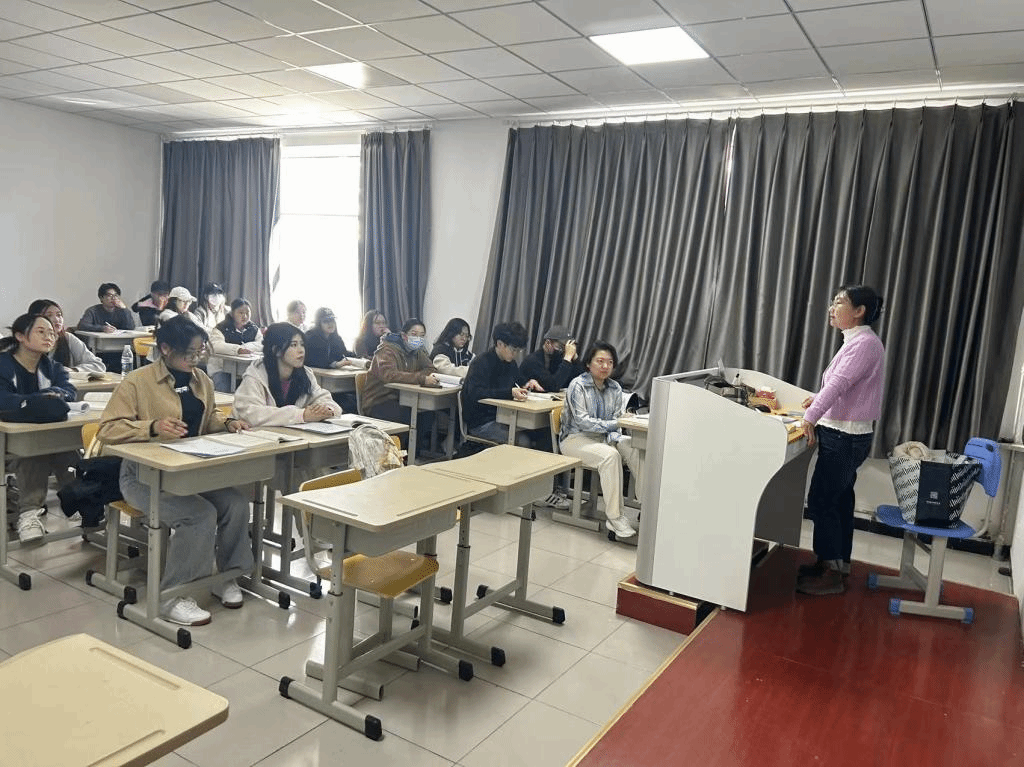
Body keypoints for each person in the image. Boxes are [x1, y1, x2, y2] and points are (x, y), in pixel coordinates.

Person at [96, 315, 254, 627]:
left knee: (236, 504)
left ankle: (226, 576)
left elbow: (208, 417)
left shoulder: (201, 380)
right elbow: (107, 430)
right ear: (166, 348)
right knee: (199, 515)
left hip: (189, 470)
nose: (195, 359)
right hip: (143, 477)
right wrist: (152, 427)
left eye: (199, 353)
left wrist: (228, 423)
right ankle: (173, 596)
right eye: (189, 353)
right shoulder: (137, 382)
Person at [795, 285, 886, 596]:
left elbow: (838, 384)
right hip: (844, 434)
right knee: (839, 500)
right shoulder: (857, 341)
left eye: (839, 303)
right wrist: (818, 400)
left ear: (859, 311)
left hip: (845, 437)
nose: (831, 308)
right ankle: (835, 564)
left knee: (823, 501)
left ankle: (831, 574)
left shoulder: (864, 344)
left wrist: (810, 417)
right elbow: (844, 388)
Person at [0, 314, 78, 542]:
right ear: (20, 336)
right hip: (8, 440)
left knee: (68, 450)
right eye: (41, 332)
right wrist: (38, 400)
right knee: (33, 452)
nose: (49, 337)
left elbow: (68, 392)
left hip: (43, 437)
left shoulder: (52, 367)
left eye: (52, 333)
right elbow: (3, 400)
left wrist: (42, 399)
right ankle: (29, 515)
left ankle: (79, 502)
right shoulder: (3, 365)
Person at [559, 341, 644, 538]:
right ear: (589, 363)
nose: (605, 366)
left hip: (602, 438)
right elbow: (583, 422)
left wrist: (617, 432)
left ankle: (646, 505)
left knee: (635, 447)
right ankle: (615, 518)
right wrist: (616, 425)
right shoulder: (578, 385)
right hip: (575, 439)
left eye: (610, 362)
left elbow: (616, 420)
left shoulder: (615, 387)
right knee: (610, 456)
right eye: (600, 361)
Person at [233, 322, 341, 427]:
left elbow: (328, 401)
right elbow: (251, 414)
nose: (301, 351)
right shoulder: (256, 375)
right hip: (256, 435)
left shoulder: (305, 374)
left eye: (302, 344)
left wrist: (326, 410)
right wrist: (301, 415)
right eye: (293, 345)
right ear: (276, 350)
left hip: (292, 435)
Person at [361, 318, 437, 437]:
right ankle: (402, 448)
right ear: (404, 335)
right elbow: (389, 375)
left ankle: (414, 448)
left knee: (427, 414)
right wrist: (420, 378)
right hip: (379, 400)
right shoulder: (387, 350)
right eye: (414, 334)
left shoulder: (417, 351)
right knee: (406, 415)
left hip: (403, 398)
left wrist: (410, 376)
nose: (418, 339)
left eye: (422, 336)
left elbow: (431, 369)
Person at [27, 299, 104, 373]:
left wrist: (73, 370)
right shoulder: (26, 341)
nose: (57, 319)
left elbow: (98, 365)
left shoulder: (68, 338)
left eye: (59, 315)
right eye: (49, 315)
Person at [208, 298, 263, 393]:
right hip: (222, 369)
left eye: (247, 313)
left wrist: (246, 347)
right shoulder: (221, 328)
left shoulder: (253, 329)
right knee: (224, 392)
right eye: (241, 313)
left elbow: (262, 344)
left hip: (246, 370)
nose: (245, 316)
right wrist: (237, 350)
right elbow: (216, 346)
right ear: (232, 313)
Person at [520, 325, 583, 393]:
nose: (563, 350)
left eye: (565, 347)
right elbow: (553, 386)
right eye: (560, 346)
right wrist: (567, 358)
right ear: (548, 343)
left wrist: (575, 358)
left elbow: (581, 380)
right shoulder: (533, 361)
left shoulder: (558, 359)